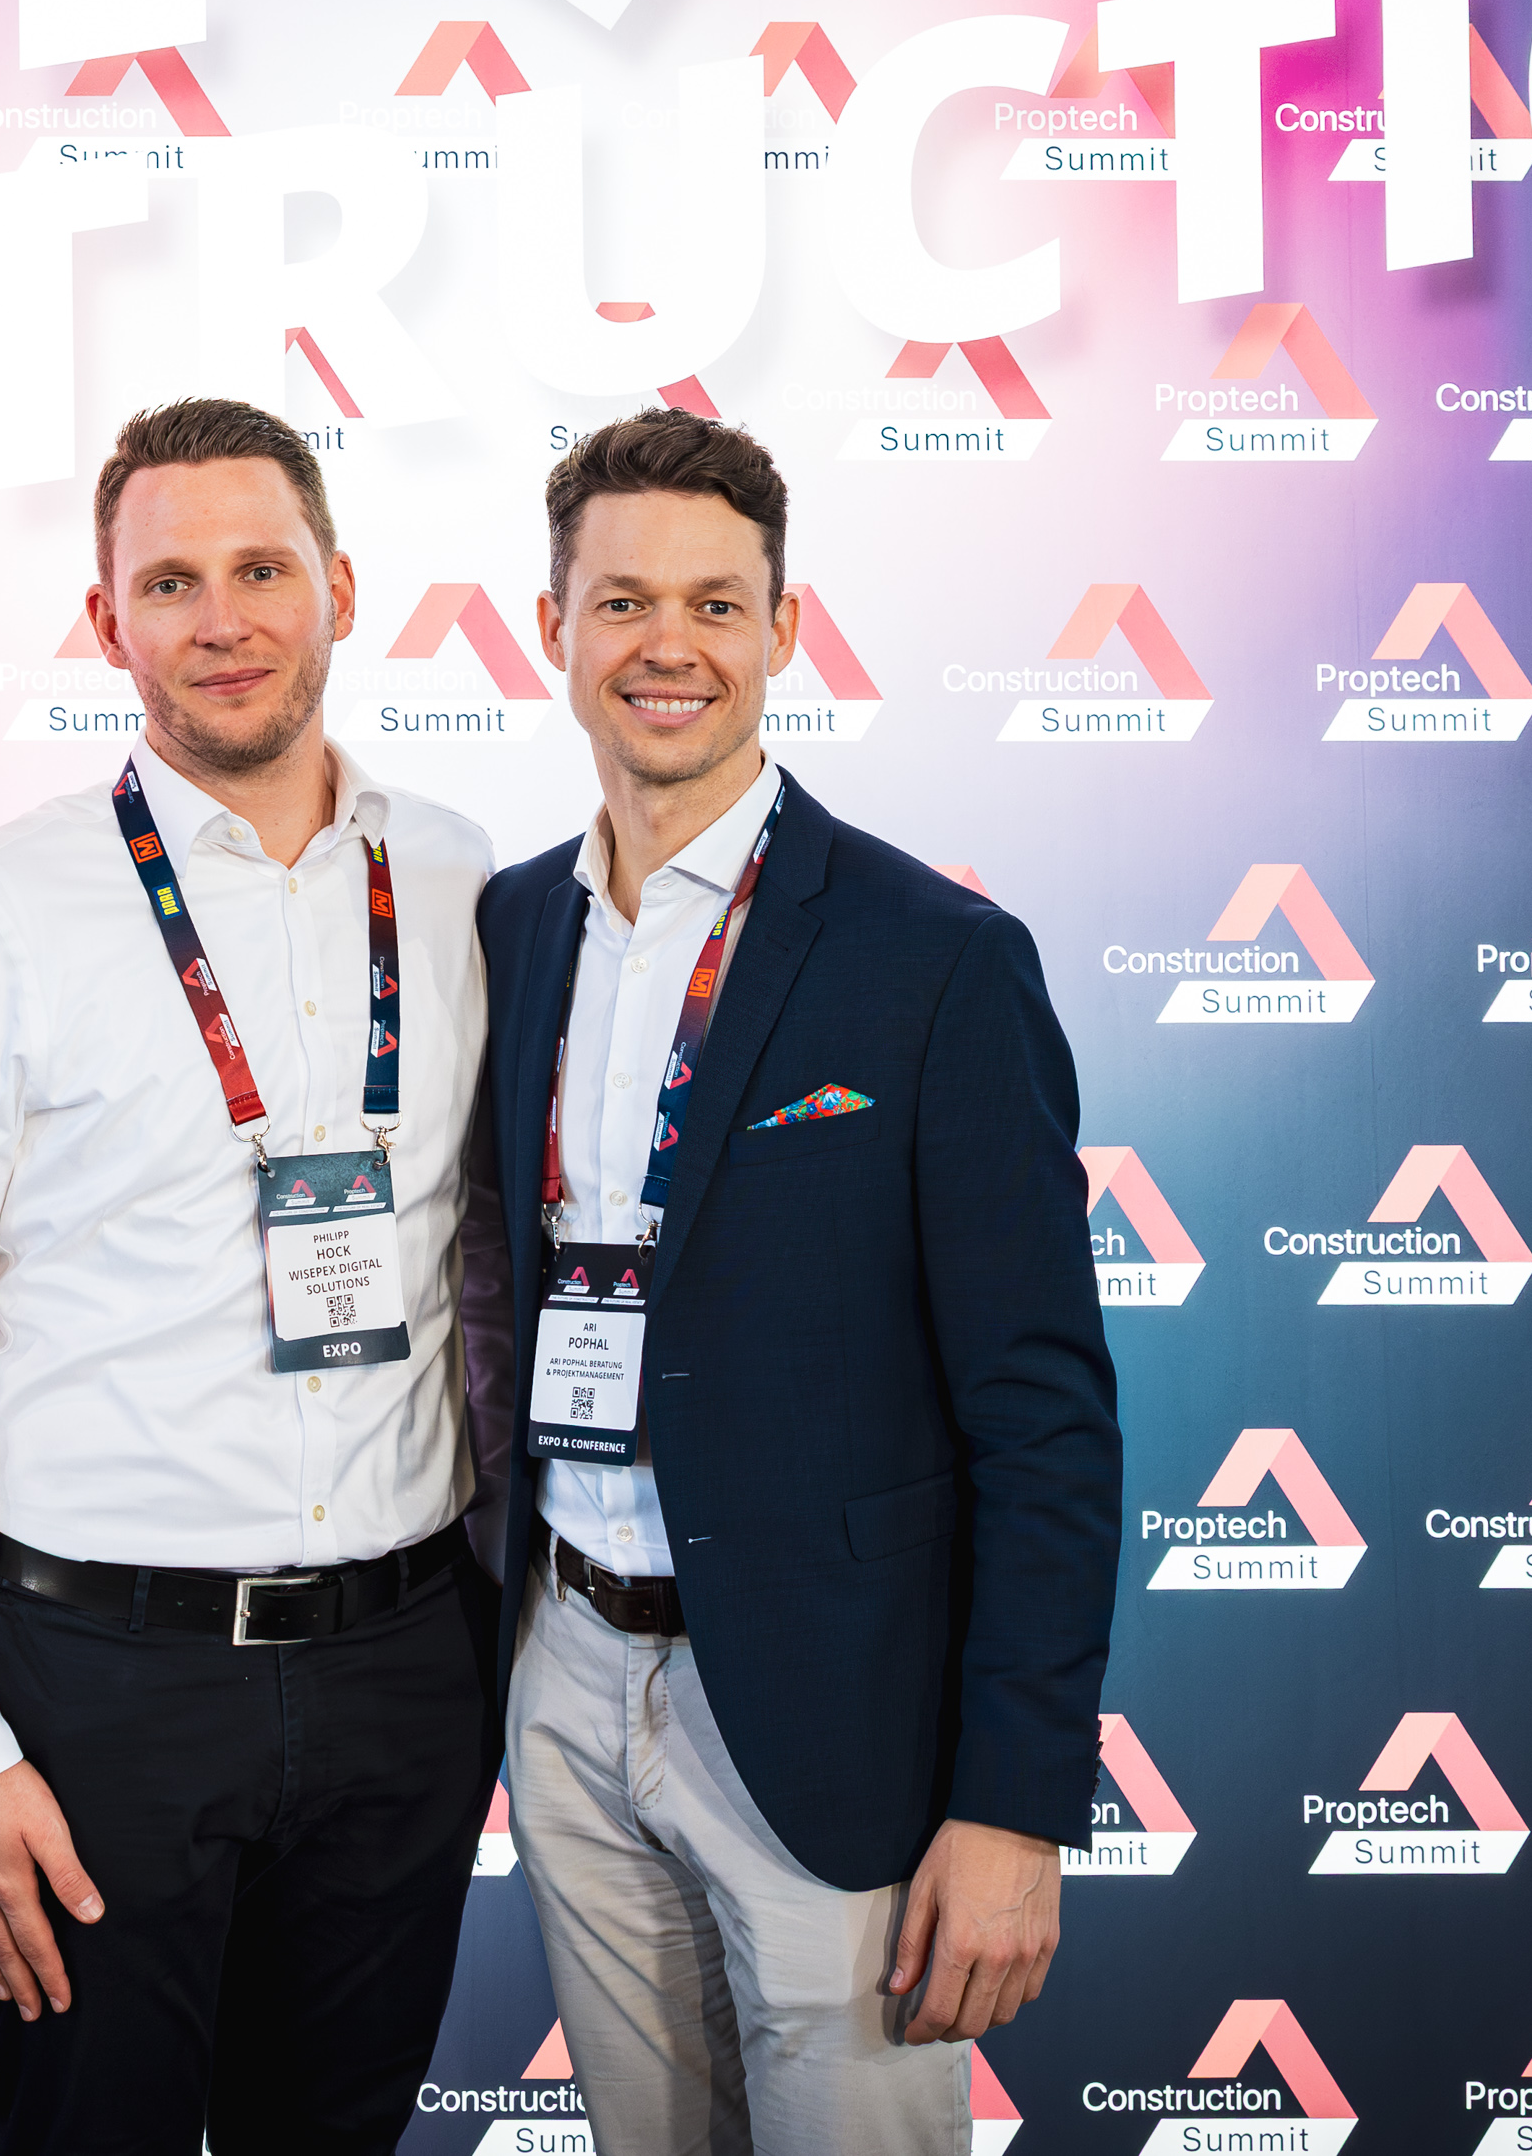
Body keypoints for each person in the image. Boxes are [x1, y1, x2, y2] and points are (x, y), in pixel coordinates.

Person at [0, 398, 505, 2156]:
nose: (223, 621)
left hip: (406, 1670)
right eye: (171, 582)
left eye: (262, 570)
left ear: (341, 587)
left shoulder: (460, 882)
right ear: (105, 619)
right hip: (101, 1687)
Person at [478, 410, 1122, 2156]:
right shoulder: (513, 927)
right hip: (565, 1676)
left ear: (781, 627)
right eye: (622, 602)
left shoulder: (936, 959)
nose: (667, 645)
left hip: (837, 1717)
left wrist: (1014, 1803)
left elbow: (1044, 1418)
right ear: (553, 630)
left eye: (715, 603)